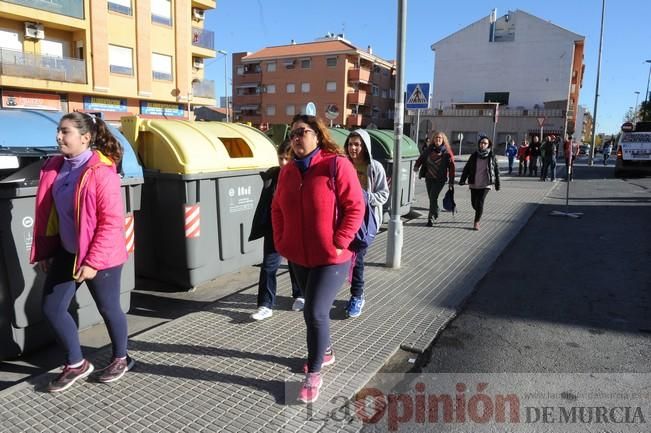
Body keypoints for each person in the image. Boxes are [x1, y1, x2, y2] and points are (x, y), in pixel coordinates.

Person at [30, 112, 133, 392]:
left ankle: (121, 357)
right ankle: (76, 363)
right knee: (52, 308)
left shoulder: (101, 171)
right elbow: (50, 215)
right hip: (67, 250)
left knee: (108, 308)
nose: (58, 136)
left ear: (85, 138)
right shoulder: (54, 166)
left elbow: (111, 222)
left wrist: (93, 261)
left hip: (101, 254)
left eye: (65, 132)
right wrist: (47, 250)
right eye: (59, 131)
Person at [272, 114, 364, 403]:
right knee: (316, 314)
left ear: (317, 135)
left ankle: (313, 374)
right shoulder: (287, 172)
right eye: (293, 133)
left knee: (313, 312)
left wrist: (340, 241)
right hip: (298, 256)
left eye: (302, 131)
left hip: (332, 258)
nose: (296, 137)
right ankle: (325, 352)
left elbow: (355, 206)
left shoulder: (336, 165)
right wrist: (281, 240)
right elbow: (276, 208)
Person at [249, 139, 303, 321]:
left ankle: (300, 295)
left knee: (296, 264)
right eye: (281, 158)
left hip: (295, 228)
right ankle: (265, 305)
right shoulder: (274, 176)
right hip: (274, 228)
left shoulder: (302, 177)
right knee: (268, 266)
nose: (284, 163)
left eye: (288, 159)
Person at [343, 129, 389, 318]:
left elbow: (384, 195)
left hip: (366, 222)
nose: (353, 148)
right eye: (351, 144)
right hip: (345, 220)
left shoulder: (374, 167)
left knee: (358, 260)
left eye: (358, 144)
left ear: (365, 146)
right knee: (345, 260)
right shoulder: (344, 165)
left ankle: (357, 296)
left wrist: (365, 196)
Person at [413, 131, 455, 227]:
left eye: (440, 138)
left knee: (433, 197)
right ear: (433, 139)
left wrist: (451, 181)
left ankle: (430, 219)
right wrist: (416, 166)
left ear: (443, 139)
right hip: (429, 178)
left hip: (440, 179)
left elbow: (452, 167)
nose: (438, 139)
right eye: (436, 138)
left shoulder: (447, 152)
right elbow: (421, 158)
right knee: (432, 198)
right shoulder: (429, 150)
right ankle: (436, 210)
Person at [459, 136, 501, 231]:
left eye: (485, 143)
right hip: (474, 182)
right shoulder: (474, 155)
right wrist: (462, 179)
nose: (483, 145)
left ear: (488, 145)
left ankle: (476, 222)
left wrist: (498, 184)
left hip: (486, 183)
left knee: (480, 202)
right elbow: (467, 168)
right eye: (481, 143)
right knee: (474, 203)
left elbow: (496, 171)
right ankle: (479, 211)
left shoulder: (492, 156)